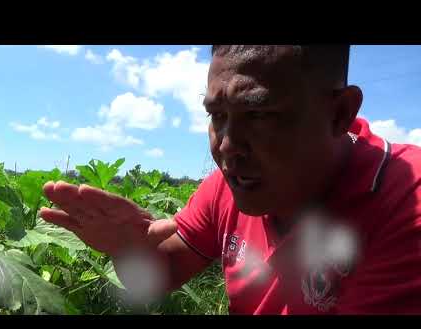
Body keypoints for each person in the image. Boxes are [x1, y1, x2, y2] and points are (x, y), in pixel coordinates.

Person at [40, 45, 421, 314]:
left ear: (339, 113)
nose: (227, 146)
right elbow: (162, 273)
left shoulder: (406, 203)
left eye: (258, 115)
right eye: (217, 115)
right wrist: (126, 248)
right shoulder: (231, 186)